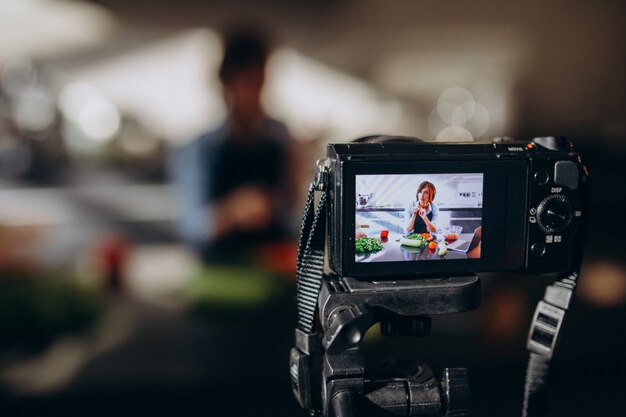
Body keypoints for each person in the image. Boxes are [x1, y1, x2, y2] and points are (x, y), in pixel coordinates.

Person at [171, 29, 295, 261]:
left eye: (259, 82)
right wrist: (234, 211)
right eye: (246, 83)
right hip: (219, 270)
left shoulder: (280, 138)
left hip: (273, 268)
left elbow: (294, 212)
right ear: (225, 83)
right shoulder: (203, 148)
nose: (253, 94)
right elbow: (191, 228)